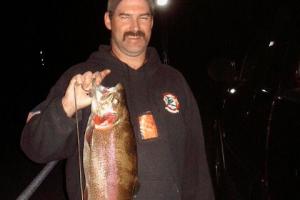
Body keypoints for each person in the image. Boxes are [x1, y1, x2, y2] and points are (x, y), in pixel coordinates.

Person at [20, 0, 215, 199]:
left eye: (143, 17)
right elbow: (35, 148)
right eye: (125, 16)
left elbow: (196, 166)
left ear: (152, 22)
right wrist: (67, 106)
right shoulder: (81, 78)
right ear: (108, 20)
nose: (135, 27)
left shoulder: (174, 81)